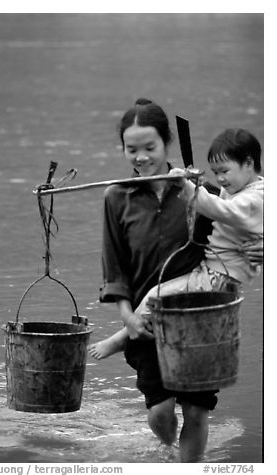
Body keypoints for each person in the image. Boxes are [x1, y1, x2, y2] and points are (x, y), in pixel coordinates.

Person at [90, 98, 263, 462]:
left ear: (167, 143)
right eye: (131, 149)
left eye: (149, 148)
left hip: (201, 318)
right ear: (122, 149)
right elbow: (114, 266)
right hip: (145, 321)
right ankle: (168, 449)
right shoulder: (116, 197)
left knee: (197, 411)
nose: (140, 157)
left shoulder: (203, 193)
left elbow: (242, 239)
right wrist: (127, 317)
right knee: (161, 413)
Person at [89, 127, 263, 361]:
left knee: (154, 296)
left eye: (224, 171)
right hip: (215, 271)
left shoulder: (253, 198)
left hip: (218, 276)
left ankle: (124, 337)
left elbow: (222, 209)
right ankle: (127, 335)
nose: (220, 179)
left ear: (249, 163)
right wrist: (197, 183)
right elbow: (219, 197)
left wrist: (187, 186)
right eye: (215, 172)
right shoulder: (245, 188)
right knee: (164, 302)